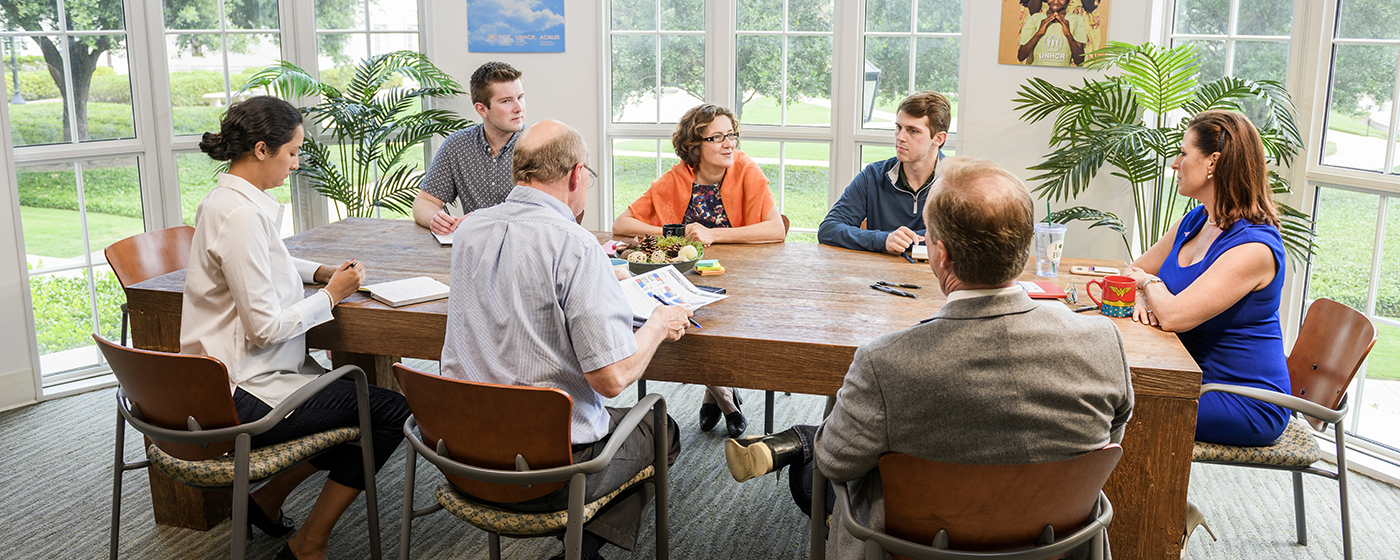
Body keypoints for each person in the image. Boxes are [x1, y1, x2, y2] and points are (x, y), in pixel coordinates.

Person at [726, 157, 1134, 560]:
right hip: (1054, 545)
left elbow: (835, 461)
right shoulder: (1103, 341)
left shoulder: (885, 362)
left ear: (940, 255)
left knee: (812, 471)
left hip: (915, 547)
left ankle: (793, 441)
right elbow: (1107, 443)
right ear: (1025, 246)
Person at [438, 119, 692, 560]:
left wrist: (597, 280)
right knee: (660, 427)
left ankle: (579, 549)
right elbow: (611, 380)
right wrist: (657, 324)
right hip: (547, 474)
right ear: (577, 174)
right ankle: (583, 548)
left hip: (464, 457)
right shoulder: (575, 245)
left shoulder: (470, 229)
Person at [184, 96, 412, 560]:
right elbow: (266, 328)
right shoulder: (243, 216)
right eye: (292, 152)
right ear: (263, 150)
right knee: (389, 413)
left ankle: (265, 500)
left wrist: (320, 272)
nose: (295, 162)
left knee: (354, 405)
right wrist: (332, 297)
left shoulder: (225, 199)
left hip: (210, 380)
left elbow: (266, 262)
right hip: (242, 393)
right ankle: (309, 543)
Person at [613, 103, 785, 437]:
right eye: (717, 137)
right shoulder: (677, 177)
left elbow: (776, 229)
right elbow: (623, 222)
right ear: (695, 146)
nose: (728, 144)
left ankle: (717, 395)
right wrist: (673, 233)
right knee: (685, 316)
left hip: (743, 279)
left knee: (706, 323)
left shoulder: (746, 170)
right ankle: (724, 396)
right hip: (686, 276)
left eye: (731, 135)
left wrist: (713, 234)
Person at [1125, 110, 1291, 449]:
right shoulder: (1197, 219)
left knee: (1117, 406)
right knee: (1108, 393)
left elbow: (1172, 316)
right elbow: (1132, 271)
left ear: (1213, 162)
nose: (1175, 163)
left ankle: (1157, 505)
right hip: (1188, 375)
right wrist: (1143, 289)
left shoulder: (1253, 248)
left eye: (1184, 153)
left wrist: (1148, 285)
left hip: (1241, 398)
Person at [818, 91, 949, 255]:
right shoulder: (873, 176)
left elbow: (960, 239)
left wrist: (904, 240)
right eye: (899, 127)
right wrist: (884, 239)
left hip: (937, 279)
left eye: (913, 131)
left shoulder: (956, 183)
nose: (900, 137)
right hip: (879, 278)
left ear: (938, 139)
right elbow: (829, 229)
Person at [412, 61, 527, 235]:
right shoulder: (457, 145)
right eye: (506, 101)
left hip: (526, 249)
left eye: (520, 97)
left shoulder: (539, 145)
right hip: (474, 249)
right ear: (482, 109)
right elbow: (424, 202)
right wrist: (435, 219)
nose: (519, 108)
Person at [1018, 0, 1089, 67]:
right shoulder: (1035, 19)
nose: (1055, 1)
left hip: (1063, 76)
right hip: (1038, 76)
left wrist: (1068, 34)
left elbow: (1079, 60)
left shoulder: (1077, 20)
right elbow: (1021, 56)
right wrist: (1039, 33)